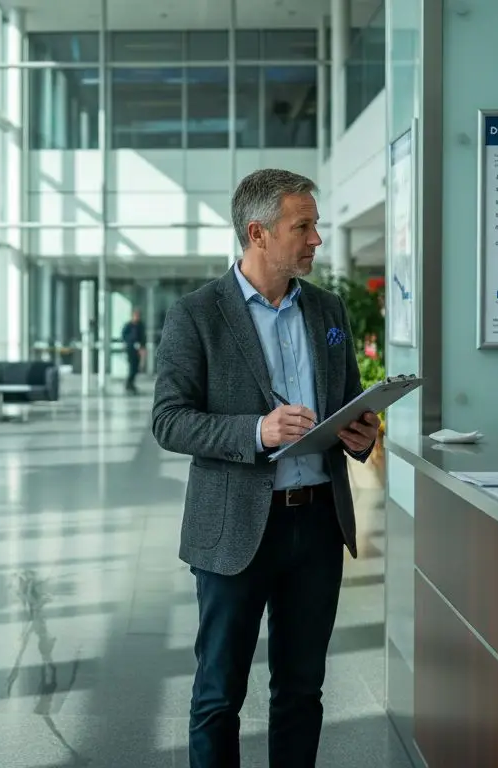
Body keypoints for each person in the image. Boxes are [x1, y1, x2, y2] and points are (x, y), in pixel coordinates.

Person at [151, 168, 380, 767]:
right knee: (219, 695)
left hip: (317, 529)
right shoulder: (197, 314)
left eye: (315, 225)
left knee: (302, 692)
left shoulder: (327, 309)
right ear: (258, 232)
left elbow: (347, 400)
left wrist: (359, 433)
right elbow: (169, 420)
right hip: (233, 532)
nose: (316, 239)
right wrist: (257, 430)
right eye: (302, 226)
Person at [121, 309, 147, 394]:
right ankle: (129, 384)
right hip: (130, 349)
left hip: (138, 349)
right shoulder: (128, 325)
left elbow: (143, 337)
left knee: (136, 367)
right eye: (136, 315)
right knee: (132, 367)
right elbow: (124, 336)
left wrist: (142, 348)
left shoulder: (141, 325)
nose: (137, 317)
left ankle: (131, 383)